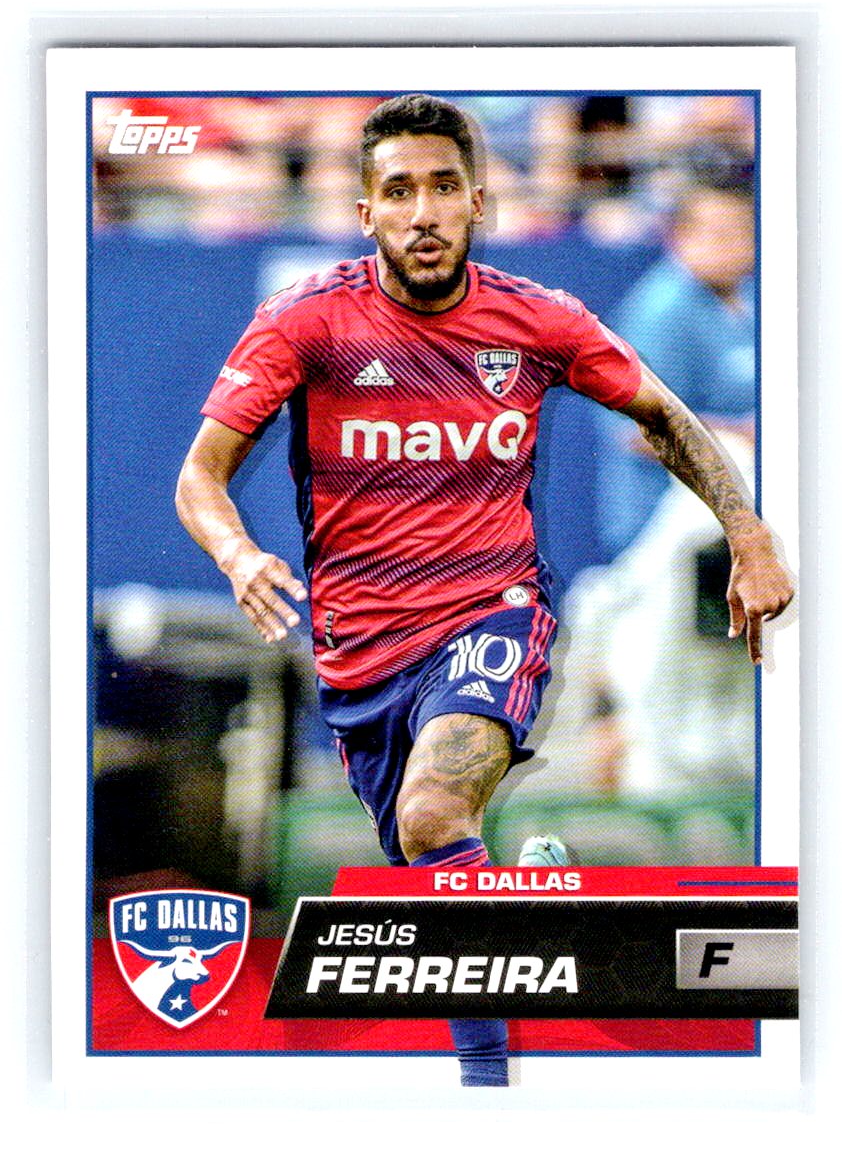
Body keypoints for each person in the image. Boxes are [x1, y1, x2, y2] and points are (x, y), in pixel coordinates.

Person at [175, 94, 793, 1087]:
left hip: (492, 617)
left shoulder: (537, 318)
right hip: (361, 654)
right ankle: (525, 904)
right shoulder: (306, 321)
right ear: (366, 210)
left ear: (478, 201)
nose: (423, 211)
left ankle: (488, 1093)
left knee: (432, 811)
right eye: (399, 191)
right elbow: (199, 477)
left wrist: (749, 534)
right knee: (435, 878)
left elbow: (666, 416)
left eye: (444, 187)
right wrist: (239, 554)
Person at [598, 184, 756, 558]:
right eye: (721, 234)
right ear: (679, 236)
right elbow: (638, 430)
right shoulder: (660, 310)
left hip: (729, 519)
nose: (737, 245)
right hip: (659, 526)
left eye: (745, 232)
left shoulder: (753, 297)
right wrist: (745, 435)